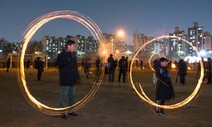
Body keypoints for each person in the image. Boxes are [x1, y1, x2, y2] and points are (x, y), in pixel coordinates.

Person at [57, 40, 78, 119]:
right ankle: (61, 111)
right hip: (65, 79)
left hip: (72, 79)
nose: (75, 48)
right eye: (73, 46)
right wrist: (66, 61)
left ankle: (70, 110)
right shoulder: (61, 55)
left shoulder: (73, 55)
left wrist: (77, 77)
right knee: (63, 96)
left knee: (72, 96)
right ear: (68, 46)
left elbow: (75, 67)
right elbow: (59, 65)